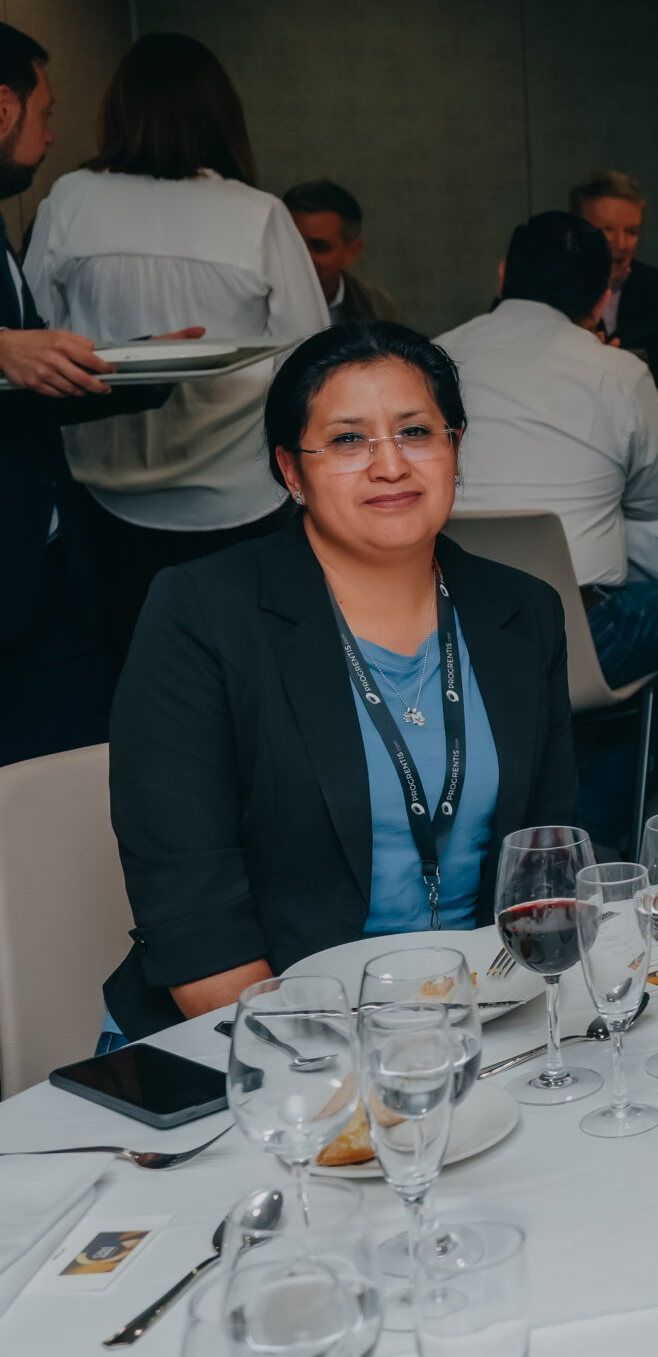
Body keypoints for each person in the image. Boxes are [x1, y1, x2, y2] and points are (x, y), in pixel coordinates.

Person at [102, 322, 578, 1040]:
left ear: (454, 446)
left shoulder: (522, 611)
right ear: (291, 470)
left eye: (416, 432)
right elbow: (196, 924)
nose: (390, 465)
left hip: (476, 1023)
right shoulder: (203, 614)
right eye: (349, 440)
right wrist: (344, 1072)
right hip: (254, 1039)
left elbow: (549, 865)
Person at [23, 32, 330, 669]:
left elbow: (33, 341)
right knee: (241, 680)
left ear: (119, 109)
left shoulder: (71, 199)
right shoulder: (259, 214)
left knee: (124, 681)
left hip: (100, 497)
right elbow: (312, 361)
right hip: (241, 495)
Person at [0, 25, 182, 764]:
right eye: (44, 113)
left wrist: (139, 366)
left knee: (71, 780)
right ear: (3, 107)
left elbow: (25, 385)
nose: (50, 135)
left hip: (42, 570)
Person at [435, 212, 658, 692]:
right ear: (601, 302)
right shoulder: (619, 373)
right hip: (584, 635)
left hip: (446, 629)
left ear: (502, 276)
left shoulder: (431, 360)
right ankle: (641, 742)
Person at [569, 169, 658, 373]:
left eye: (631, 232)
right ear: (575, 230)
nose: (621, 244)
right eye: (607, 230)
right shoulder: (550, 293)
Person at [283, 179, 399, 325]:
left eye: (318, 246)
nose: (302, 257)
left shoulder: (378, 308)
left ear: (351, 252)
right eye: (291, 244)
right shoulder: (259, 300)